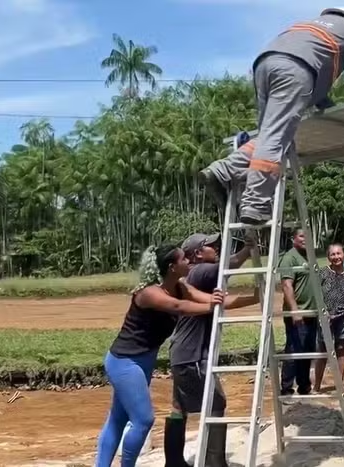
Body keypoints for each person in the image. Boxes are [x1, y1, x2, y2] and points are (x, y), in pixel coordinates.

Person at [234, 7, 344, 224]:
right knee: (275, 138)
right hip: (294, 68)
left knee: (265, 136)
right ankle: (255, 204)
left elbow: (318, 83)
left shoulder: (306, 26)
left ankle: (224, 170)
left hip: (263, 65)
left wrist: (327, 107)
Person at [95, 244, 226, 467]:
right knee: (143, 420)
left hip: (143, 361)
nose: (189, 260)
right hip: (123, 362)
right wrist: (212, 307)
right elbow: (179, 307)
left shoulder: (180, 287)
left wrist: (254, 298)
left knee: (118, 418)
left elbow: (210, 300)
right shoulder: (149, 293)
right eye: (184, 258)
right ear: (172, 266)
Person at [163, 232, 261, 467]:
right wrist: (249, 248)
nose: (216, 247)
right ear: (197, 253)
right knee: (216, 403)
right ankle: (214, 462)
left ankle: (174, 462)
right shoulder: (201, 271)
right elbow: (232, 263)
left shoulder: (195, 277)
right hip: (193, 354)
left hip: (182, 352)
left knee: (179, 407)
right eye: (211, 245)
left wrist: (254, 299)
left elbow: (219, 302)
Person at [277, 228, 321, 399]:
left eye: (308, 236)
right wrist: (295, 311)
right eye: (302, 236)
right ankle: (287, 389)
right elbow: (287, 286)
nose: (305, 239)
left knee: (307, 350)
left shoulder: (309, 256)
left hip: (311, 313)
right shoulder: (289, 258)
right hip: (298, 315)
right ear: (293, 238)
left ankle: (304, 387)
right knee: (294, 350)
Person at [313, 243, 344, 392]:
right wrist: (322, 312)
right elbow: (316, 295)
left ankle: (339, 384)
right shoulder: (322, 273)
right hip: (326, 317)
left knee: (341, 349)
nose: (336, 257)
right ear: (328, 257)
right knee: (322, 350)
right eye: (332, 254)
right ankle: (317, 386)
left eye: (338, 253)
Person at [199, 132, 255, 208]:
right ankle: (215, 174)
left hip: (217, 167)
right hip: (228, 171)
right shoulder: (261, 145)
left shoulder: (247, 147)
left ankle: (212, 172)